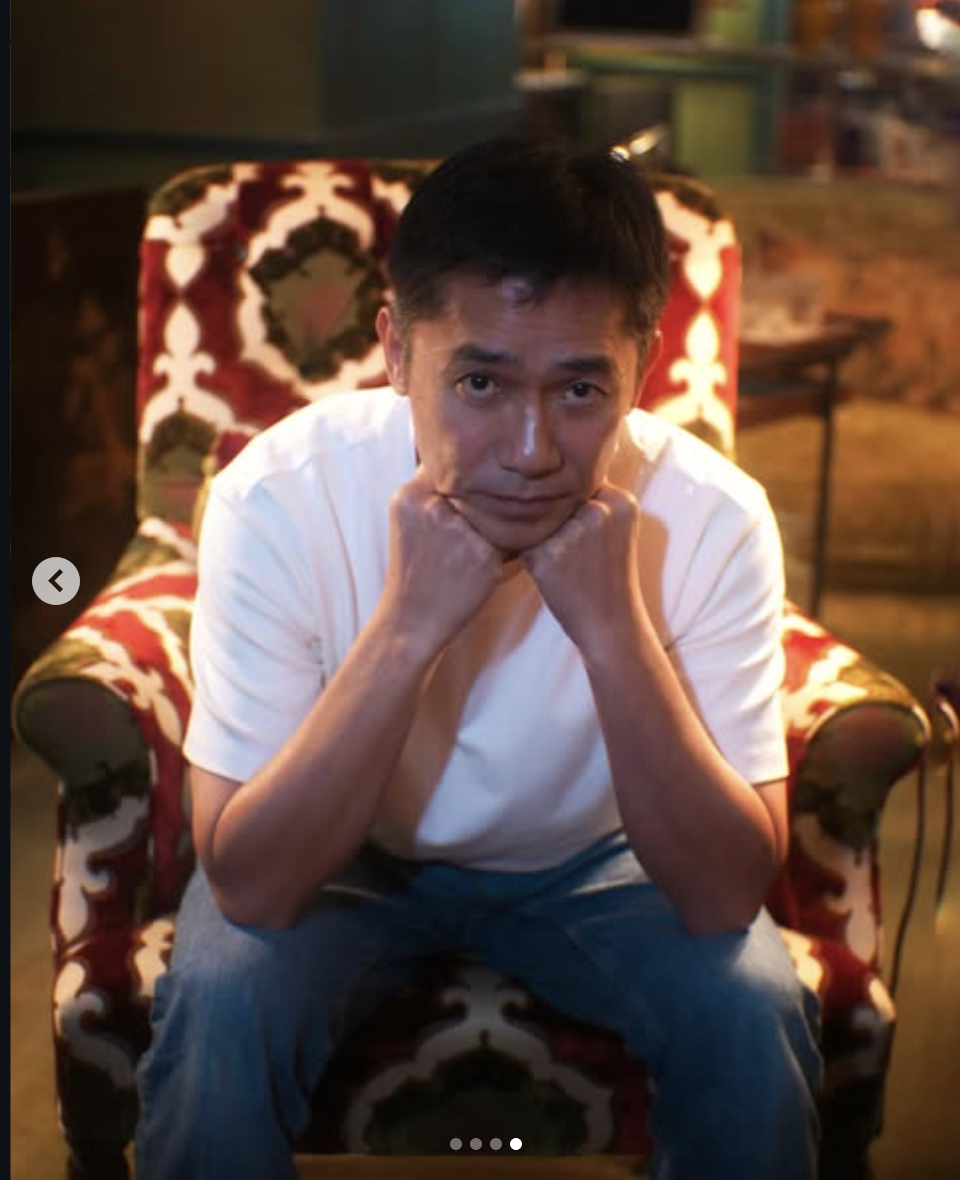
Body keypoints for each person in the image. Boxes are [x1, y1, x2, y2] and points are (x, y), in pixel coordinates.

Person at [135, 137, 821, 1179]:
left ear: (643, 366)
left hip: (602, 863)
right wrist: (409, 624)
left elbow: (726, 894)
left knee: (752, 1010)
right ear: (395, 350)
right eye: (480, 381)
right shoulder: (276, 497)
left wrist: (613, 628)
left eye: (580, 390)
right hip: (351, 859)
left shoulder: (714, 517)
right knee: (221, 1004)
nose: (532, 450)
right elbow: (255, 886)